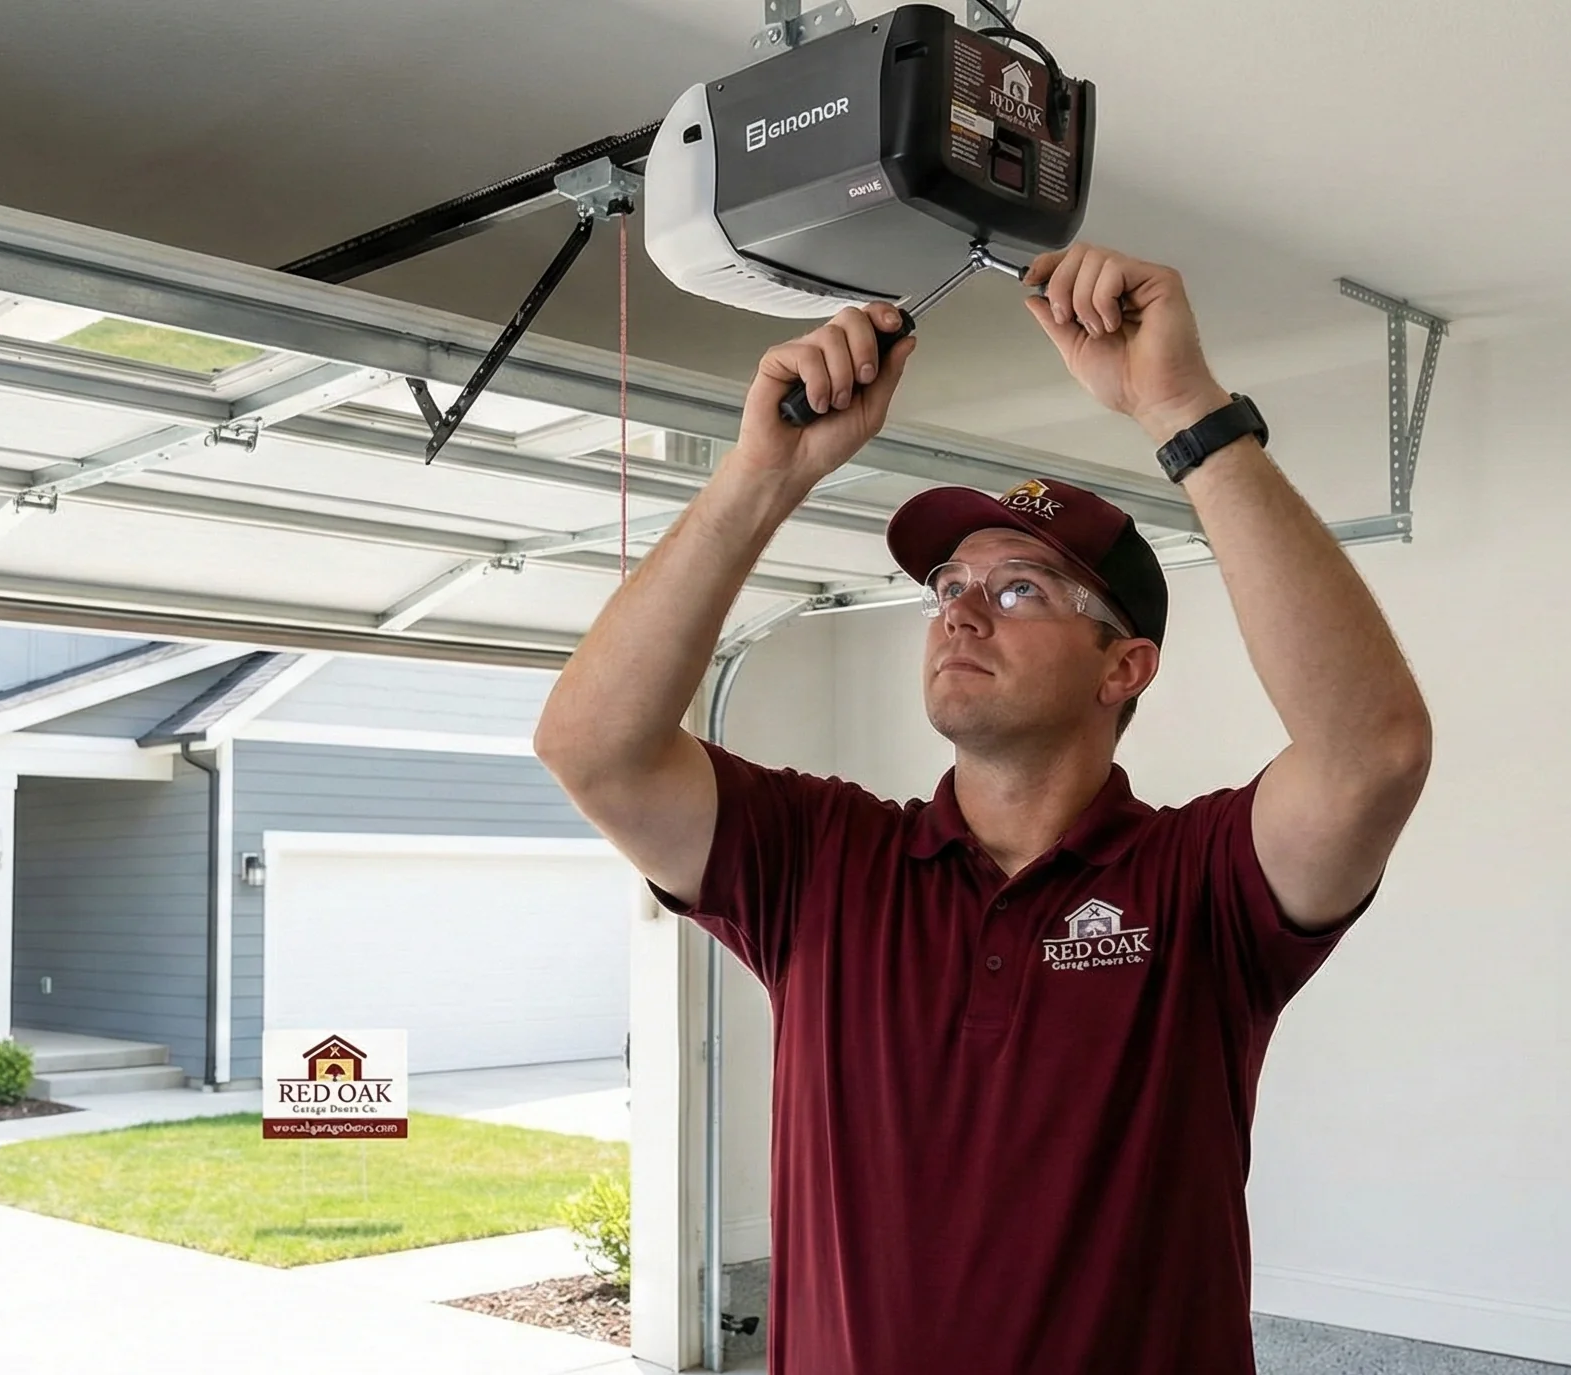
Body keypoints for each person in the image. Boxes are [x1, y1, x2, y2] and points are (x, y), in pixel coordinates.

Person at [535, 242, 1433, 1374]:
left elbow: (1370, 755)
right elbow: (594, 749)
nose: (961, 613)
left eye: (1018, 589)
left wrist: (1183, 411)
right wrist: (762, 474)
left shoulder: (1199, 883)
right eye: (948, 588)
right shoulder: (822, 860)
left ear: (1123, 669)